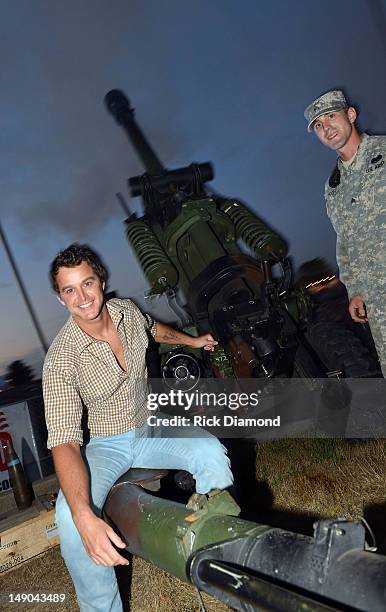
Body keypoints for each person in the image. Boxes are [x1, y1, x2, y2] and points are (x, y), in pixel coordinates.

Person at [43, 243, 233, 612]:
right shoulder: (61, 359)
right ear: (60, 298)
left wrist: (192, 341)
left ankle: (218, 551)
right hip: (107, 444)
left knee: (211, 451)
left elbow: (155, 329)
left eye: (87, 284)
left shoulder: (126, 311)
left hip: (152, 426)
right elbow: (64, 440)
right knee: (70, 517)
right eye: (70, 290)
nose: (82, 297)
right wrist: (85, 517)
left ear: (101, 281)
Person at [304, 89, 386, 376]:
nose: (326, 128)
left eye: (331, 116)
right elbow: (345, 241)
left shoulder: (383, 152)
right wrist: (355, 290)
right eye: (318, 125)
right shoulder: (334, 187)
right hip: (378, 301)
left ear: (350, 115)